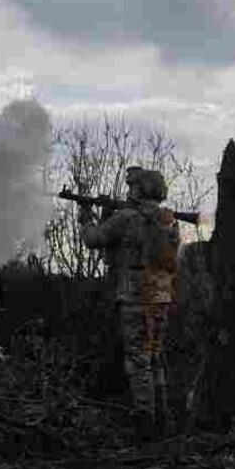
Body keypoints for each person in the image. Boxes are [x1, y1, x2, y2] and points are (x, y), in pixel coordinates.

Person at [79, 166, 180, 438]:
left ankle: (145, 422)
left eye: (132, 185)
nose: (129, 189)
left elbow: (94, 240)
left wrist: (86, 215)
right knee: (154, 356)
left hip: (135, 298)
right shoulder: (169, 220)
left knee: (137, 361)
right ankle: (163, 418)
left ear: (140, 189)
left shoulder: (125, 217)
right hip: (161, 297)